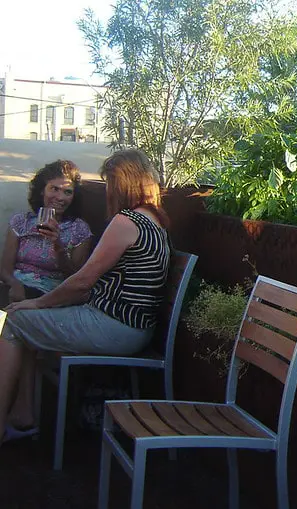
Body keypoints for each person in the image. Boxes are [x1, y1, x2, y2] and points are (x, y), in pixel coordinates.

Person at [0, 149, 171, 443]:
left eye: (109, 184)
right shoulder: (155, 221)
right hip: (135, 328)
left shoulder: (126, 222)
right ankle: (23, 413)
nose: (107, 192)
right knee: (26, 319)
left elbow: (82, 281)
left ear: (121, 184)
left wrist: (38, 302)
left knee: (14, 320)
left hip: (115, 327)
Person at [0, 160, 92, 304]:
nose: (60, 197)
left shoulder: (79, 229)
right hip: (14, 287)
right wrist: (15, 285)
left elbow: (76, 279)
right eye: (54, 189)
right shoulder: (21, 221)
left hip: (47, 294)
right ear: (42, 190)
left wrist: (58, 246)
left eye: (67, 192)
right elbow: (5, 269)